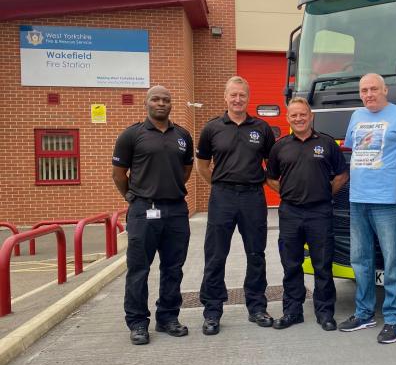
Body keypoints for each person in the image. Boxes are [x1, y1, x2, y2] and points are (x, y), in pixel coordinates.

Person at [338, 73, 396, 344]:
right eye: (364, 90)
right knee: (360, 260)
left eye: (374, 88)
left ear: (385, 89)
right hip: (357, 199)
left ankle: (395, 320)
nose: (369, 94)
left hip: (388, 203)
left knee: (393, 262)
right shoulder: (356, 116)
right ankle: (364, 313)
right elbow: (354, 153)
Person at [112, 85, 194, 345]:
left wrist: (169, 189)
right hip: (143, 210)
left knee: (173, 268)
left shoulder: (182, 135)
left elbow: (186, 170)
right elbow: (118, 174)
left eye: (166, 100)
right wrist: (132, 198)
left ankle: (168, 317)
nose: (161, 103)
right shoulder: (132, 135)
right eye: (156, 99)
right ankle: (137, 323)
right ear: (146, 103)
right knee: (139, 269)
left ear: (171, 104)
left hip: (176, 211)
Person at [196, 76, 276, 335]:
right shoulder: (212, 128)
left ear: (248, 98)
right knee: (216, 255)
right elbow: (202, 165)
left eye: (242, 95)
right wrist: (220, 184)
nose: (238, 99)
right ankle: (212, 312)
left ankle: (256, 307)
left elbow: (272, 166)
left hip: (253, 197)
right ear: (225, 97)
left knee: (256, 254)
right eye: (233, 95)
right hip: (223, 197)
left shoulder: (262, 129)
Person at [265, 97, 349, 331]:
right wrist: (289, 194)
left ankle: (325, 312)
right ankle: (292, 311)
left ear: (311, 116)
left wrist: (324, 193)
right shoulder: (280, 146)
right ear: (288, 118)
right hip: (290, 213)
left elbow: (342, 175)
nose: (299, 119)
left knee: (323, 265)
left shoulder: (327, 143)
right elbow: (270, 178)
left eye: (303, 114)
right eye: (294, 115)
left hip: (320, 212)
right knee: (291, 265)